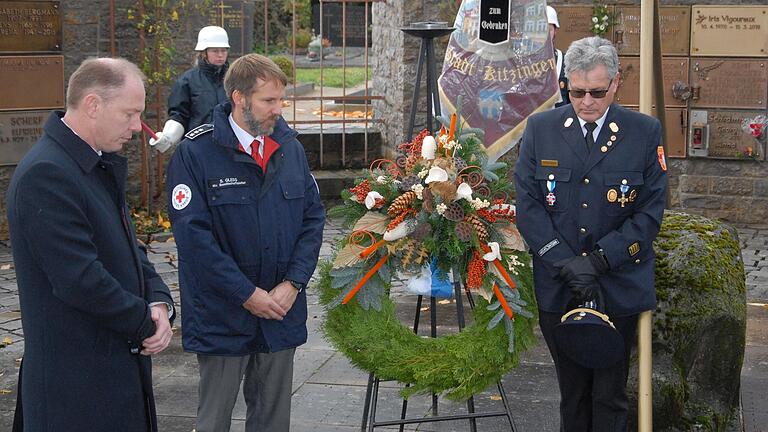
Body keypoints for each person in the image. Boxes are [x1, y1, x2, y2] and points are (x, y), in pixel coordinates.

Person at [6, 57, 175, 431]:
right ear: (93, 104)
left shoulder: (92, 164)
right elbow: (78, 279)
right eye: (130, 114)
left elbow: (130, 250)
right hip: (77, 391)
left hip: (111, 377)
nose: (137, 127)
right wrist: (144, 322)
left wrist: (160, 302)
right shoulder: (47, 174)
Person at [514, 36, 667, 431]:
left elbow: (649, 212)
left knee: (610, 395)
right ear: (566, 84)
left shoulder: (644, 132)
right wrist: (565, 261)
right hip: (559, 281)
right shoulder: (541, 128)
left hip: (617, 281)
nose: (586, 102)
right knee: (573, 393)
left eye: (597, 92)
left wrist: (599, 260)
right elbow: (528, 205)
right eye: (577, 91)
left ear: (616, 84)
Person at [166, 53, 325, 431]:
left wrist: (294, 283)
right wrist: (247, 294)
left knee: (272, 421)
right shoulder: (196, 153)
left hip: (280, 311)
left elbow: (312, 219)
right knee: (214, 419)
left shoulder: (290, 148)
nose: (278, 109)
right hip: (223, 314)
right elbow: (194, 238)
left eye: (280, 100)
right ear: (239, 98)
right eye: (269, 101)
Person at [149, 25, 230, 152]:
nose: (220, 55)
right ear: (204, 53)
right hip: (199, 149)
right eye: (215, 50)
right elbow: (179, 115)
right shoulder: (187, 81)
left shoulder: (236, 80)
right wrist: (168, 137)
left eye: (224, 50)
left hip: (231, 148)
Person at [547, 5, 570, 107]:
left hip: (560, 120)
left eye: (549, 29)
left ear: (555, 31)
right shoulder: (523, 63)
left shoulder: (566, 61)